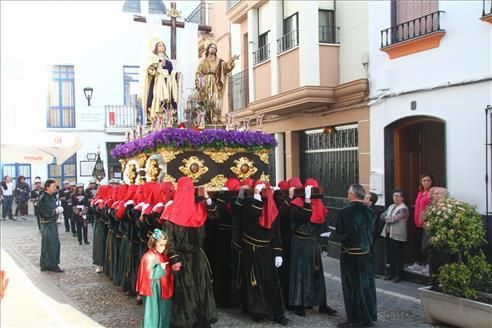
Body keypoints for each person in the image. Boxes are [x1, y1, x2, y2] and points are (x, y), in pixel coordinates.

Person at [160, 177, 217, 327]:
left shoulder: (198, 208)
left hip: (197, 257)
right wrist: (173, 259)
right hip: (182, 258)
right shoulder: (171, 211)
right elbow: (168, 240)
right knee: (185, 292)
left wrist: (206, 197)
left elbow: (215, 215)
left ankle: (200, 321)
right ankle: (185, 322)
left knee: (200, 290)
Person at [233, 181, 288, 326]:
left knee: (272, 283)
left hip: (267, 250)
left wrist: (278, 252)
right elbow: (255, 212)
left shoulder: (272, 208)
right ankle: (256, 311)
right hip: (251, 249)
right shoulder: (248, 203)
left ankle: (278, 313)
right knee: (254, 283)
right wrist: (256, 194)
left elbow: (276, 233)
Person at [289, 178, 337, 317]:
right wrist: (307, 202)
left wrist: (323, 244)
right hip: (300, 242)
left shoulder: (319, 205)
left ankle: (321, 303)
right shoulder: (297, 203)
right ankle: (298, 303)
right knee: (299, 273)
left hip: (312, 243)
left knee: (317, 274)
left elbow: (322, 225)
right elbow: (299, 218)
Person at [336, 184, 377, 328]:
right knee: (366, 285)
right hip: (365, 253)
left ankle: (355, 319)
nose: (347, 196)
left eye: (348, 194)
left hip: (350, 254)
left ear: (353, 195)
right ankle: (368, 316)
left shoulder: (345, 212)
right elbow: (371, 233)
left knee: (352, 287)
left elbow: (340, 233)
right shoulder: (370, 212)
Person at [136, 228, 173, 328]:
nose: (163, 247)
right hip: (153, 289)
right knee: (152, 312)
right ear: (153, 243)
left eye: (165, 245)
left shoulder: (161, 255)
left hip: (163, 288)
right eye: (161, 245)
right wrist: (160, 268)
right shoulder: (148, 257)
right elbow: (147, 275)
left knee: (164, 311)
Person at [195, 39, 239, 118]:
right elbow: (198, 73)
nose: (213, 49)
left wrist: (232, 60)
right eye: (212, 47)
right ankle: (206, 118)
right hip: (205, 82)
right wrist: (199, 83)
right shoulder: (203, 62)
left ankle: (215, 118)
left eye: (215, 48)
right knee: (206, 100)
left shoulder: (219, 61)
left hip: (215, 82)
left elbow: (225, 67)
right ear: (208, 49)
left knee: (215, 100)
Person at [142, 39, 179, 128]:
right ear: (156, 48)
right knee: (158, 98)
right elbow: (151, 71)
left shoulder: (168, 61)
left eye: (163, 45)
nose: (162, 47)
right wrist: (157, 65)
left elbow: (171, 72)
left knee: (169, 99)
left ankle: (169, 118)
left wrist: (176, 74)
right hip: (158, 83)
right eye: (159, 45)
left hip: (168, 83)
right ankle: (157, 118)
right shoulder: (154, 59)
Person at [380, 189, 408, 283]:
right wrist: (388, 218)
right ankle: (391, 273)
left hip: (398, 234)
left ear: (402, 198)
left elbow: (393, 219)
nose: (395, 198)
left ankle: (399, 275)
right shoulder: (391, 206)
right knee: (391, 255)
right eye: (394, 196)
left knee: (398, 256)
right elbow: (382, 216)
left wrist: (388, 218)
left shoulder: (403, 208)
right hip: (389, 233)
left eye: (397, 196)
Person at [408, 174, 434, 273]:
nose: (426, 182)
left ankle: (428, 265)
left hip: (426, 223)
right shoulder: (420, 193)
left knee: (426, 245)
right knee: (417, 243)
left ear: (432, 182)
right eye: (424, 180)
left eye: (428, 180)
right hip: (417, 222)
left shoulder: (432, 193)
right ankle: (418, 263)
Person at [38, 179, 64, 273]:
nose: (55, 188)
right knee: (52, 244)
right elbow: (45, 212)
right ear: (47, 187)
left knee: (47, 244)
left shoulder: (50, 196)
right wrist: (56, 211)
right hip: (48, 223)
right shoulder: (44, 198)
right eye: (53, 186)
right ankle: (53, 265)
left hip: (50, 223)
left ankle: (45, 264)